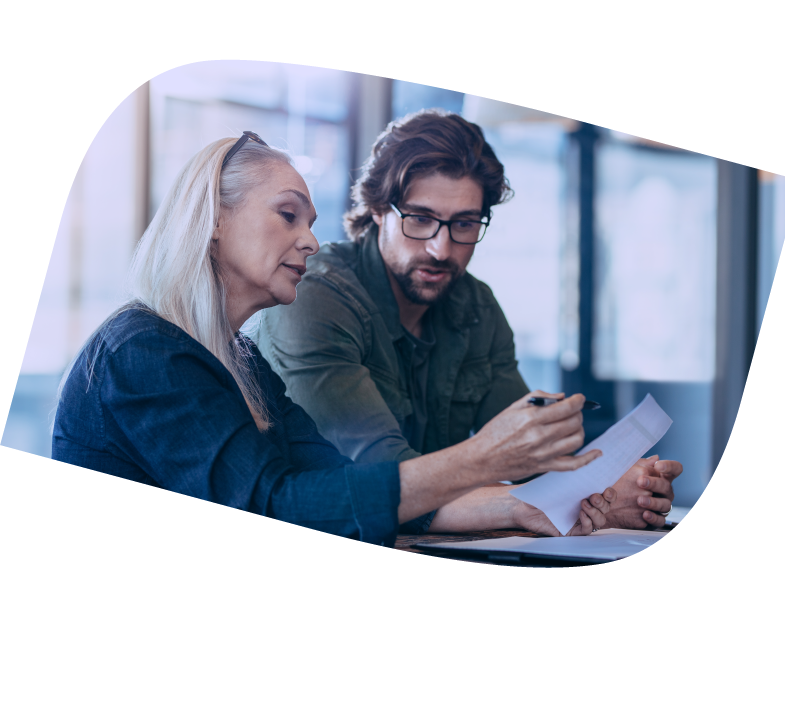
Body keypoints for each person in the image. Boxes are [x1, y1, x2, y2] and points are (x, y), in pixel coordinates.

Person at [52, 131, 616, 547]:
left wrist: (519, 506)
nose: (310, 242)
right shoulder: (144, 352)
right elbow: (271, 508)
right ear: (214, 219)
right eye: (288, 215)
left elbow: (338, 485)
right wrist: (482, 458)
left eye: (311, 222)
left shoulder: (240, 358)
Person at [257, 111, 683, 531]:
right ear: (377, 210)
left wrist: (611, 487)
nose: (442, 249)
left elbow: (533, 460)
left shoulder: (475, 306)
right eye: (421, 219)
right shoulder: (315, 297)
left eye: (463, 224)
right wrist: (533, 502)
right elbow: (383, 479)